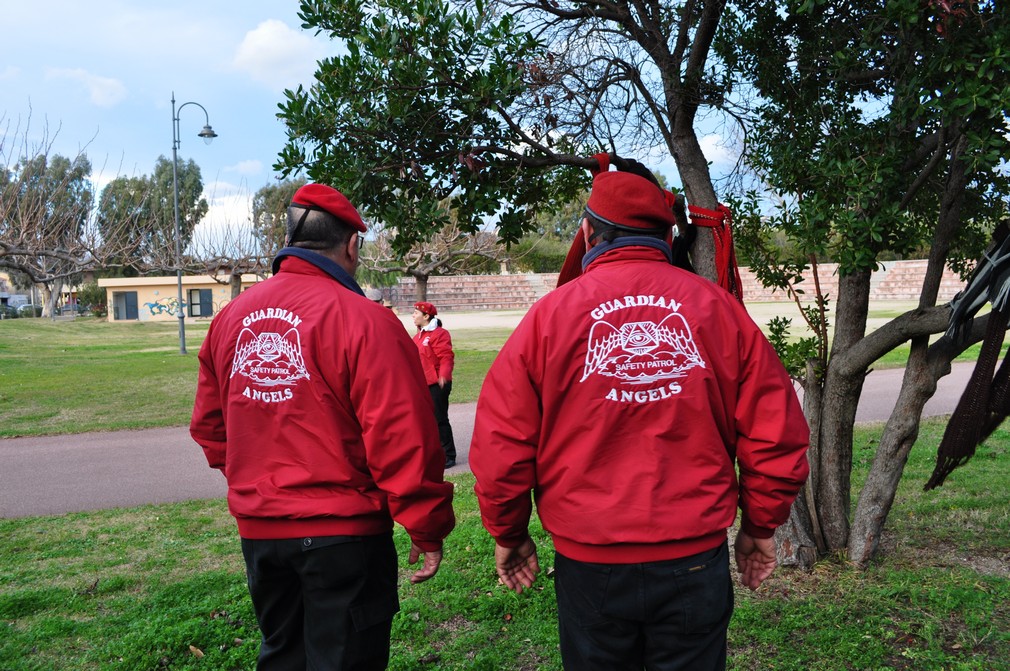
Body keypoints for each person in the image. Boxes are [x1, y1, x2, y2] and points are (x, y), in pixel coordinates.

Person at [469, 157, 810, 671]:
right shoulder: (718, 309)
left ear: (588, 232)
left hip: (591, 565)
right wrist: (761, 527)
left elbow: (502, 446)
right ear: (663, 234)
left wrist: (510, 534)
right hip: (694, 561)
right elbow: (775, 434)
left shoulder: (549, 318)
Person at [190, 183, 455, 670]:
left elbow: (210, 427)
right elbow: (405, 440)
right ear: (352, 245)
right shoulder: (366, 321)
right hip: (345, 537)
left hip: (262, 536)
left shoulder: (229, 319)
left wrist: (260, 487)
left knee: (283, 656)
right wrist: (426, 527)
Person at [411, 301, 458, 468]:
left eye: (416, 313)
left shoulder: (439, 334)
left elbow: (446, 356)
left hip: (438, 384)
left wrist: (444, 376)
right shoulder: (417, 337)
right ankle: (433, 453)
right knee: (425, 420)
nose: (413, 316)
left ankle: (448, 455)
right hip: (423, 385)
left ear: (426, 316)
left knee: (439, 419)